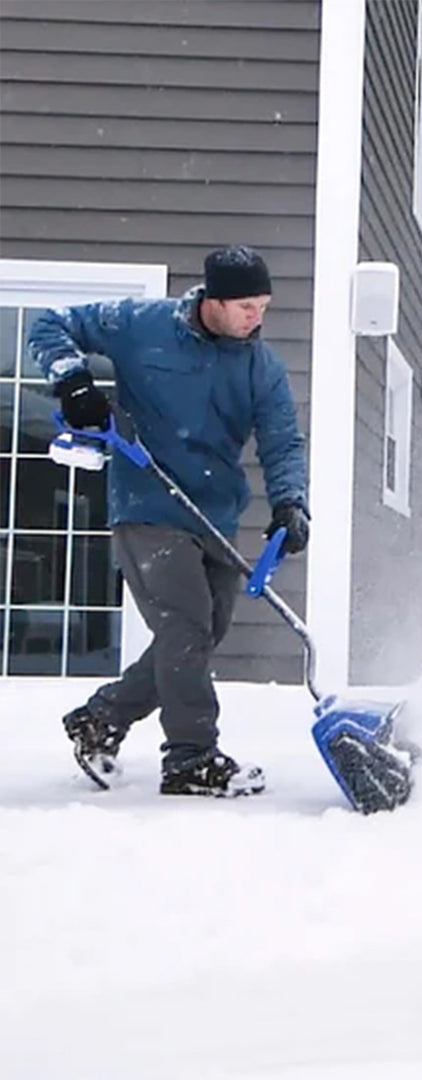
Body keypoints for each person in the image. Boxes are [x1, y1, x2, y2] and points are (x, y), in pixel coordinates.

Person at [28, 245, 309, 798]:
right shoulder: (140, 325)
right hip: (147, 504)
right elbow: (50, 324)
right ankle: (191, 758)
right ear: (214, 300)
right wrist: (75, 383)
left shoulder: (262, 367)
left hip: (214, 513)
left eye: (264, 306)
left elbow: (282, 441)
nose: (258, 318)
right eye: (247, 306)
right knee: (185, 626)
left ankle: (102, 718)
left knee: (202, 633)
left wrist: (290, 504)